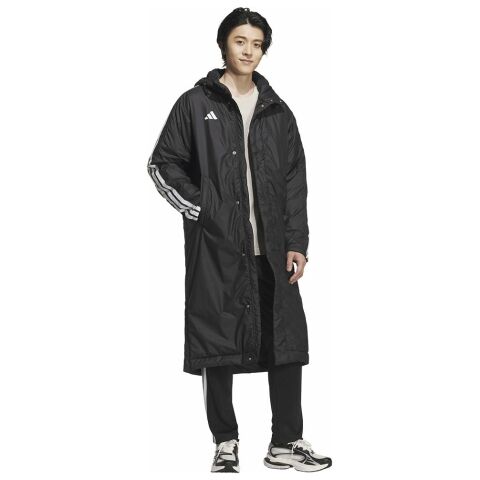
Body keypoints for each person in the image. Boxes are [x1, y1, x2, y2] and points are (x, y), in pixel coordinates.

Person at [147, 7, 332, 473]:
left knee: (286, 341)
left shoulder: (278, 111)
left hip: (271, 250)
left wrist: (297, 241)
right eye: (240, 41)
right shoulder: (195, 103)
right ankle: (225, 441)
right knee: (217, 339)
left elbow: (294, 181)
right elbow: (162, 164)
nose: (249, 51)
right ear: (223, 45)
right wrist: (203, 210)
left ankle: (285, 442)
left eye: (257, 44)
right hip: (218, 247)